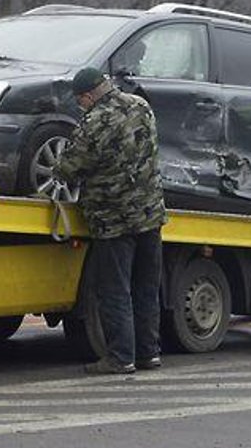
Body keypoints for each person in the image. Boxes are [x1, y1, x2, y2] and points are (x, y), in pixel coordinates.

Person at [53, 67, 167, 375]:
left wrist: (58, 170)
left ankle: (120, 357)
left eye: (81, 101)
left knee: (115, 290)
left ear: (89, 95)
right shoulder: (141, 106)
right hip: (150, 214)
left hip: (113, 220)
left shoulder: (94, 122)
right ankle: (148, 353)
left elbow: (70, 168)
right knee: (146, 287)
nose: (81, 107)